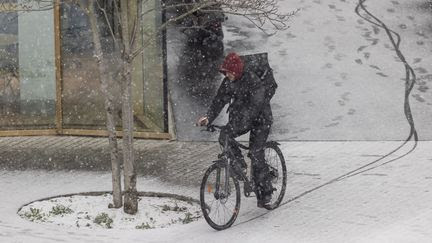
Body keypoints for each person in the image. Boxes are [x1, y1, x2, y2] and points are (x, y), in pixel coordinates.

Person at [197, 52, 274, 207]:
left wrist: (242, 121)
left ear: (237, 71)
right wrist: (208, 118)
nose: (227, 75)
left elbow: (255, 105)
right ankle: (241, 166)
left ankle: (265, 192)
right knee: (224, 135)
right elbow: (219, 100)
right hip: (242, 119)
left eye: (230, 72)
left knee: (256, 153)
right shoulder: (228, 82)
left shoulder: (253, 79)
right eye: (225, 73)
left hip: (261, 119)